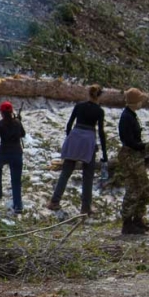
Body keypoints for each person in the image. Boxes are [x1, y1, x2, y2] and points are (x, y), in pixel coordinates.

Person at [46, 84, 107, 215]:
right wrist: (105, 153)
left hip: (75, 135)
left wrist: (70, 139)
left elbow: (69, 124)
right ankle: (85, 207)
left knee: (66, 171)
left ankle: (54, 201)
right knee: (88, 174)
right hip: (88, 140)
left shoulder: (79, 106)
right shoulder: (99, 111)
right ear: (99, 96)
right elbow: (101, 132)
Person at [117, 87, 149, 234]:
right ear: (135, 102)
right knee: (135, 189)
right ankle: (128, 222)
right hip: (130, 156)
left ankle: (137, 219)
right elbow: (130, 141)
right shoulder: (126, 117)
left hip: (135, 156)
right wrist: (145, 146)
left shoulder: (131, 115)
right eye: (140, 100)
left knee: (144, 189)